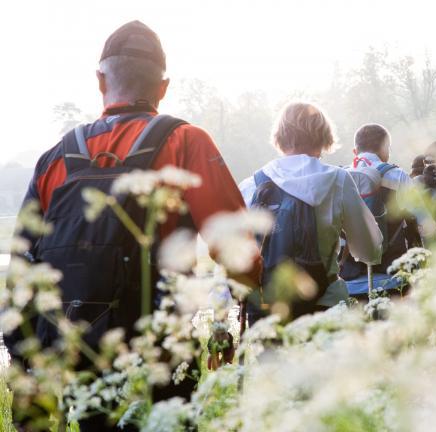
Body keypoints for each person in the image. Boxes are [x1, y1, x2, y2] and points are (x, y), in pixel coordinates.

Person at [11, 21, 257, 430]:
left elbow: (21, 267)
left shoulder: (55, 157)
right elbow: (236, 250)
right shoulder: (186, 141)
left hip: (74, 351)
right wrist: (242, 304)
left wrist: (25, 363)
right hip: (159, 355)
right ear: (163, 87)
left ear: (100, 80)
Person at [239, 102, 383, 318]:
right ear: (323, 136)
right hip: (326, 306)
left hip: (268, 313)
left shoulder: (252, 185)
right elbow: (369, 250)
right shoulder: (338, 180)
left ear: (280, 136)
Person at [339, 124, 422, 300]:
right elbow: (423, 220)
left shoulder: (339, 178)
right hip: (392, 278)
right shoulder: (398, 176)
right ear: (385, 149)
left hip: (349, 281)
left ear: (355, 151)